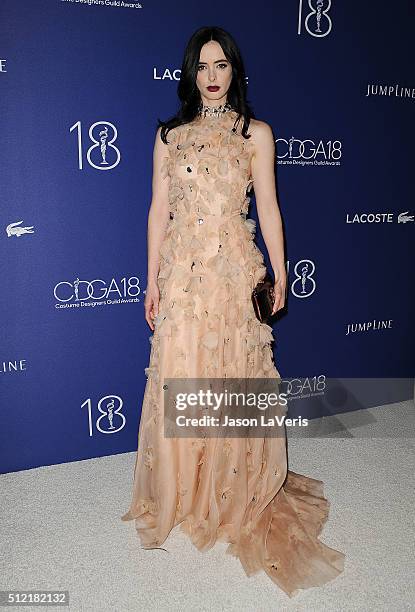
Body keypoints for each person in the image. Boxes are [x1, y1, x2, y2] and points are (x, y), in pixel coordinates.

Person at [121, 25, 345, 598]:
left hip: (232, 275)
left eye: (221, 65)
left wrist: (282, 270)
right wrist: (151, 283)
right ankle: (188, 490)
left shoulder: (257, 134)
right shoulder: (169, 137)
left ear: (234, 71)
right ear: (190, 74)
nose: (213, 76)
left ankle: (233, 487)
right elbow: (156, 214)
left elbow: (268, 206)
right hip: (184, 277)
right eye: (202, 66)